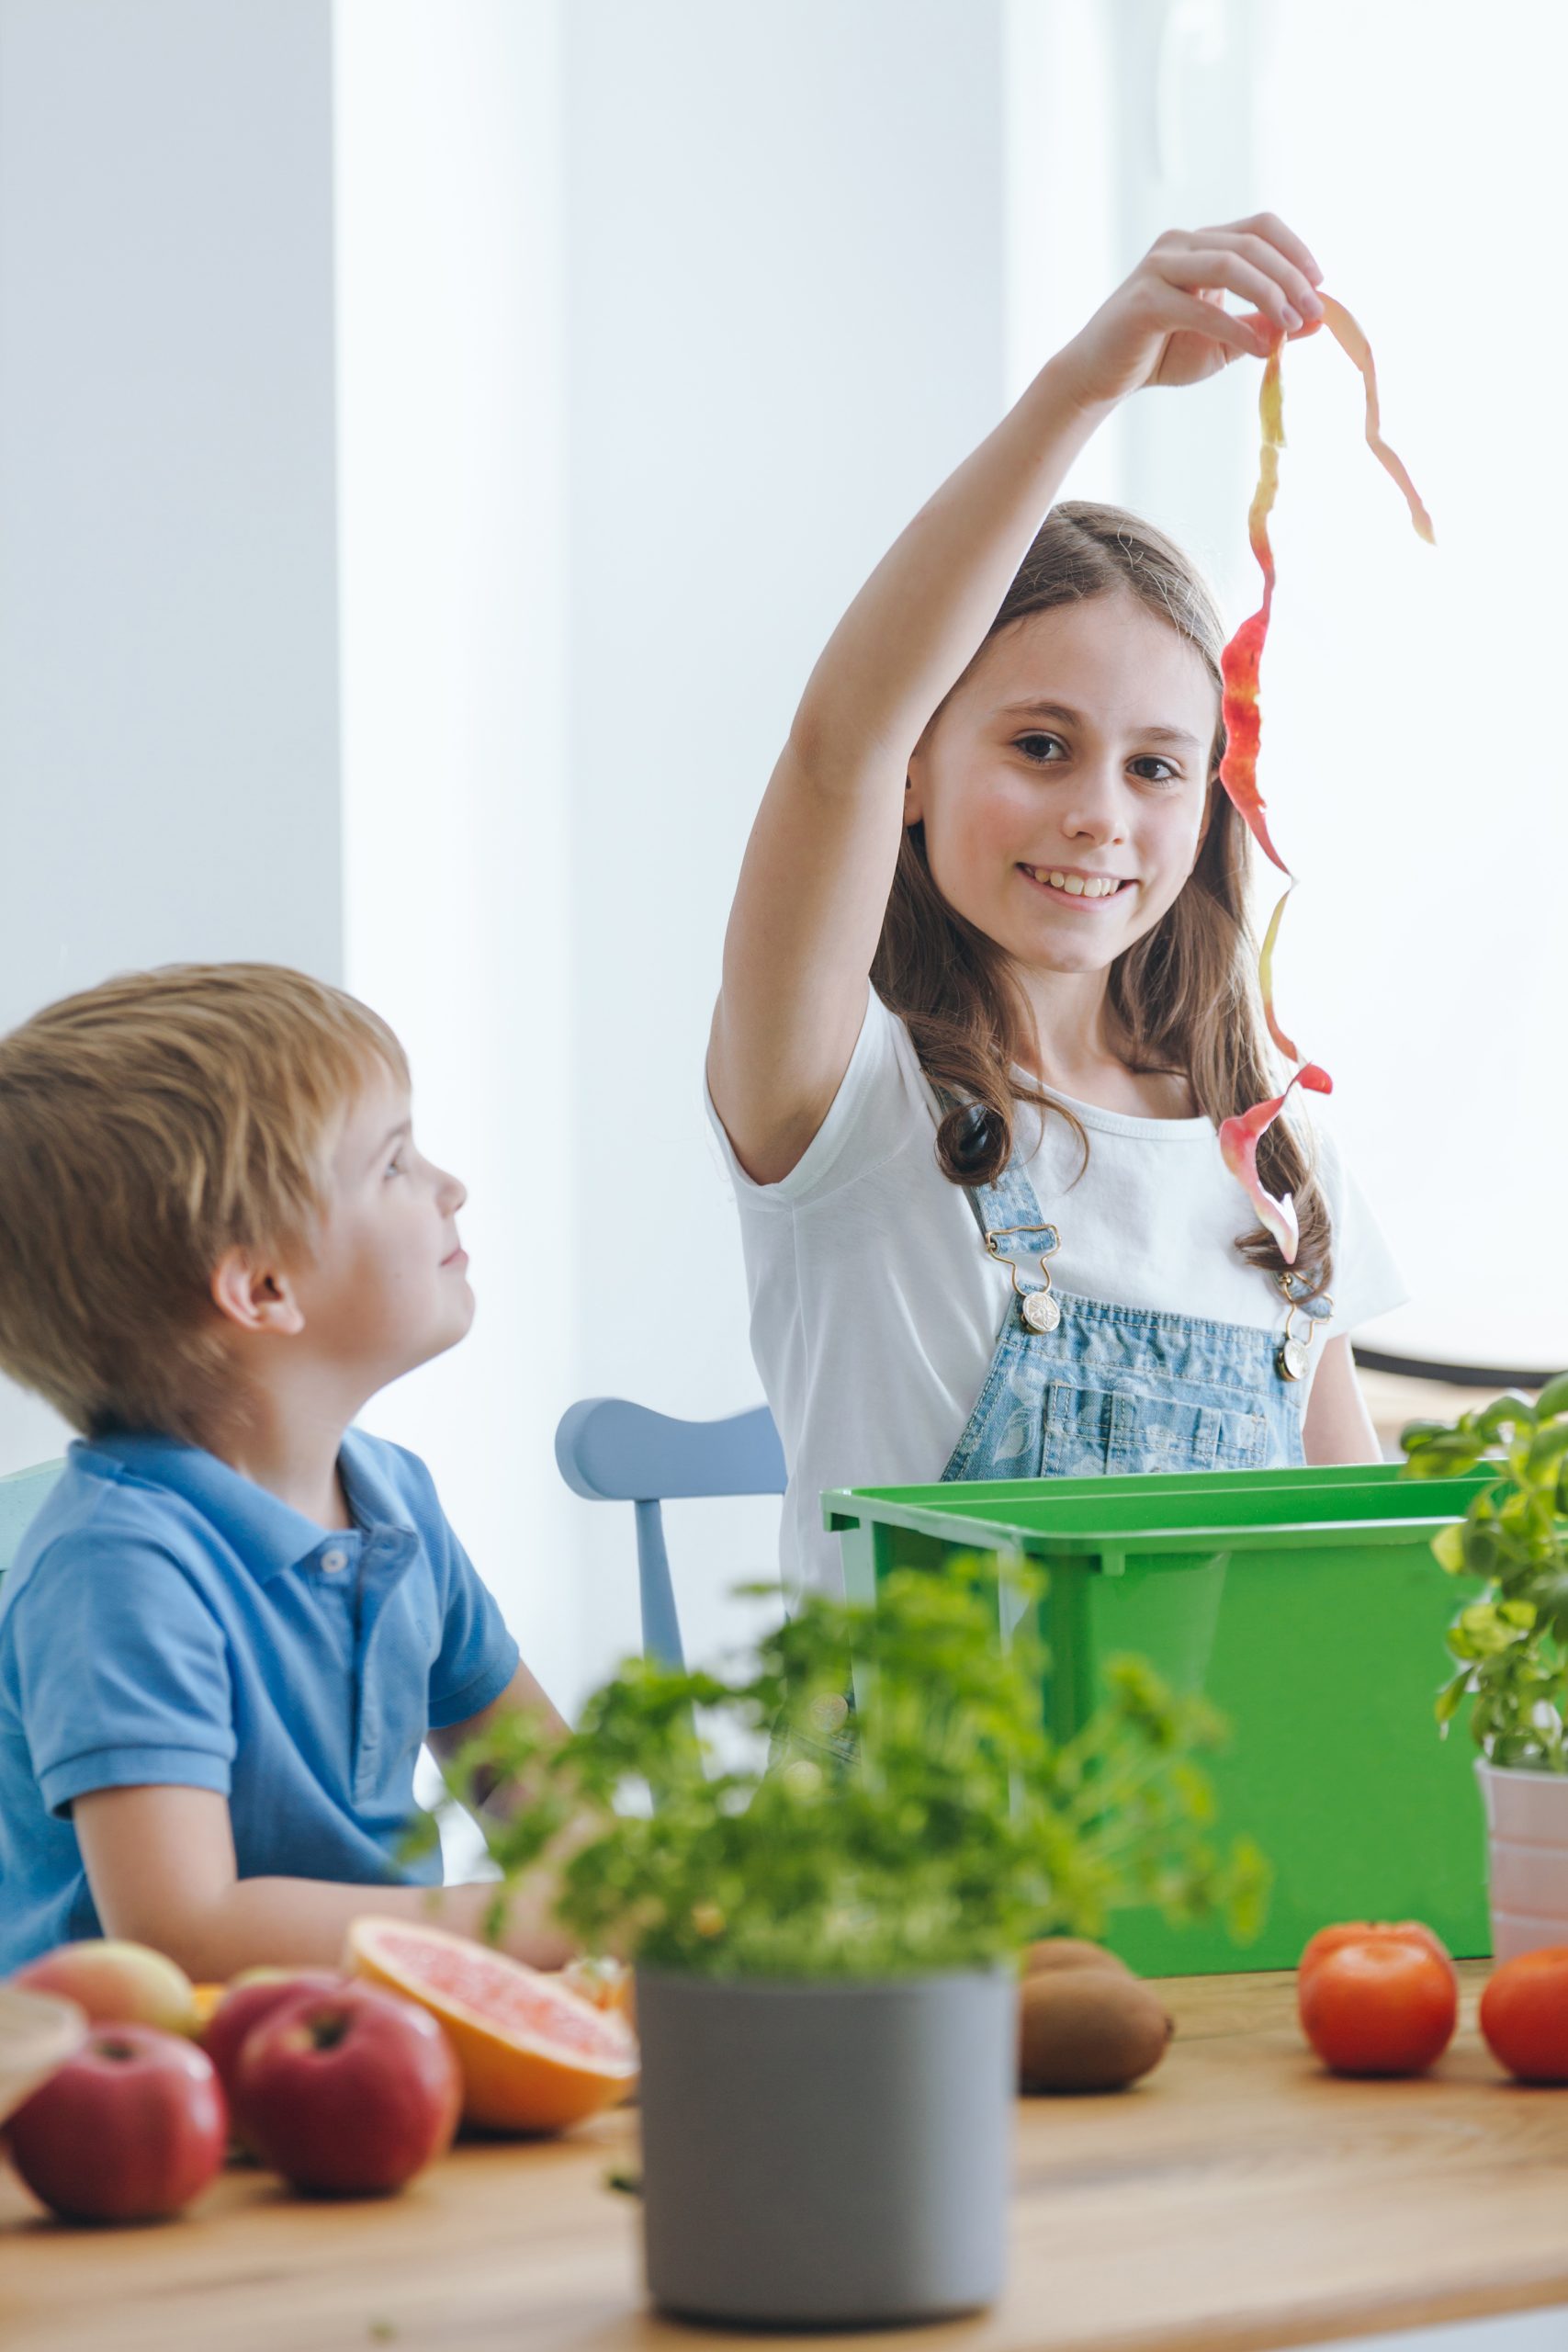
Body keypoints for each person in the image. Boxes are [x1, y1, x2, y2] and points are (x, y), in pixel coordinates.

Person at [705, 214, 1407, 1606]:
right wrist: (1083, 385)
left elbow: (1357, 1583)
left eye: (1155, 767)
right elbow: (832, 744)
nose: (1100, 811)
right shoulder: (842, 1108)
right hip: (924, 1828)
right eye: (1038, 746)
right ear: (917, 769)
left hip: (1218, 1818)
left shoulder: (1273, 1159)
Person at [0, 963, 573, 1976]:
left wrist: (627, 1890)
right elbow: (182, 1930)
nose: (451, 1187)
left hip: (373, 2041)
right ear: (262, 1287)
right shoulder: (116, 1569)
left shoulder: (397, 1499)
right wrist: (524, 1926)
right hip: (153, 2091)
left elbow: (553, 1805)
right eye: (394, 1163)